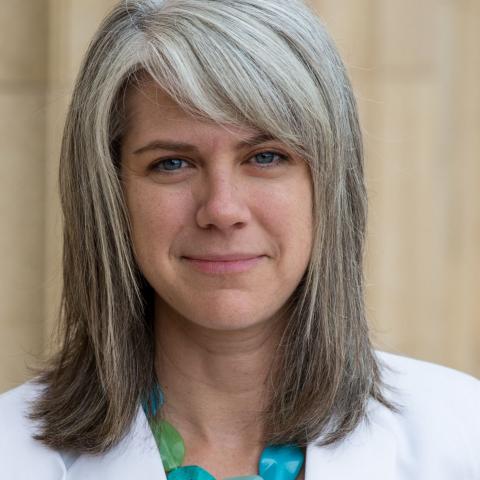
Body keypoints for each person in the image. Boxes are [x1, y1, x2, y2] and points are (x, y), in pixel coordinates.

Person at [1, 0, 479, 479]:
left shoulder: (462, 438)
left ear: (331, 183)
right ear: (111, 195)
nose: (223, 210)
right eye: (172, 163)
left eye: (267, 157)